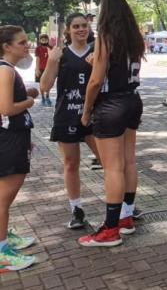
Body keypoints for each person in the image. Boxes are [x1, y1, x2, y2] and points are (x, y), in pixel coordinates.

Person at [78, 0, 144, 247]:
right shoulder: (135, 40)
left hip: (110, 104)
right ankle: (126, 218)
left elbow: (96, 81)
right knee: (128, 161)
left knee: (112, 166)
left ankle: (110, 229)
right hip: (132, 100)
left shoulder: (105, 38)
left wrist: (86, 111)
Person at [39, 14, 102, 230]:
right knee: (71, 163)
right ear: (68, 30)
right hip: (67, 114)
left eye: (84, 25)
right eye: (76, 26)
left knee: (108, 161)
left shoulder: (97, 50)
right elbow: (45, 87)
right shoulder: (61, 54)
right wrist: (51, 61)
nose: (81, 29)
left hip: (94, 114)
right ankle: (76, 209)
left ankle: (123, 205)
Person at [0, 25, 37, 271]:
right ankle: (1, 251)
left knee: (7, 196)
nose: (27, 46)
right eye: (22, 42)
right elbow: (6, 108)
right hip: (9, 138)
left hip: (15, 136)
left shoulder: (8, 70)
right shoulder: (6, 71)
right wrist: (30, 100)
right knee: (3, 197)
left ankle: (4, 238)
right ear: (7, 46)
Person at [34, 34, 52, 106]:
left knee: (49, 83)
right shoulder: (38, 49)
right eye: (42, 40)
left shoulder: (51, 48)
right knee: (41, 84)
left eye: (45, 39)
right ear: (40, 40)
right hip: (41, 68)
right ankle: (43, 97)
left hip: (49, 68)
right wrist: (37, 69)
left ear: (48, 40)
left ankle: (47, 96)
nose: (44, 41)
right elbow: (37, 59)